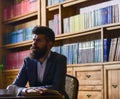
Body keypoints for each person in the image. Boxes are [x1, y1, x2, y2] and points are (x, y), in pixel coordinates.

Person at [8, 26, 69, 99]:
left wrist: (34, 90)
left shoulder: (59, 60)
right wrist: (26, 90)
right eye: (33, 40)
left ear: (49, 44)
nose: (34, 43)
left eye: (39, 40)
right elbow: (15, 86)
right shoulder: (28, 61)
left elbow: (58, 88)